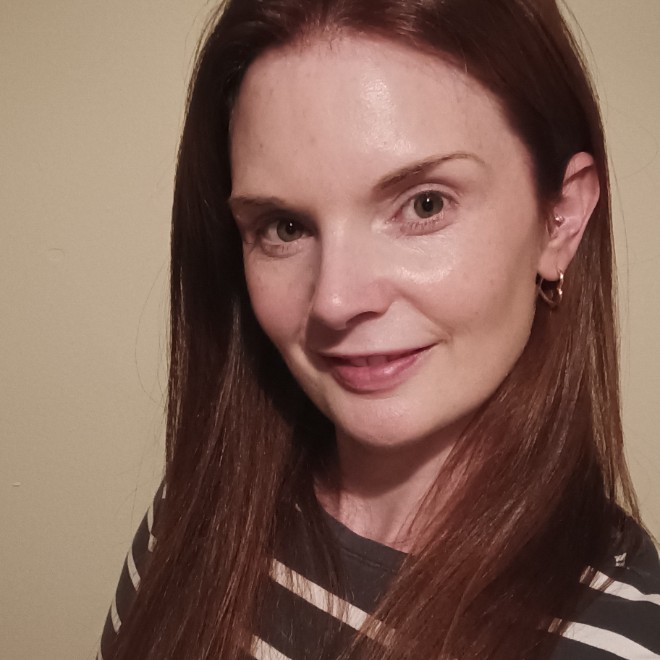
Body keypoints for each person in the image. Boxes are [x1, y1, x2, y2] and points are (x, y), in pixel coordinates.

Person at [99, 0, 660, 658]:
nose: (335, 300)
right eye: (285, 227)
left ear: (560, 219)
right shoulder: (196, 516)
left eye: (424, 205)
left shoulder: (624, 641)